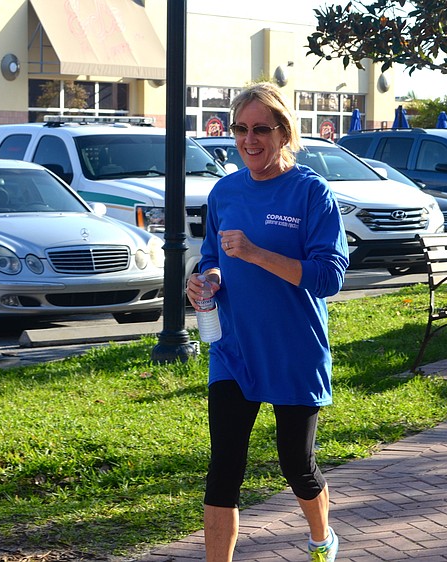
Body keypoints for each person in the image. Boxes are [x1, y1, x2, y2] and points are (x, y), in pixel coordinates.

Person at [185, 82, 349, 562]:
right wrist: (204, 281)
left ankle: (322, 540)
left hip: (293, 349)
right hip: (234, 348)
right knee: (224, 467)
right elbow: (213, 258)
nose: (249, 139)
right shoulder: (225, 191)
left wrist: (257, 254)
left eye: (261, 129)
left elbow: (329, 277)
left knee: (296, 462)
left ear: (284, 133)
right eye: (241, 128)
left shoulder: (310, 193)